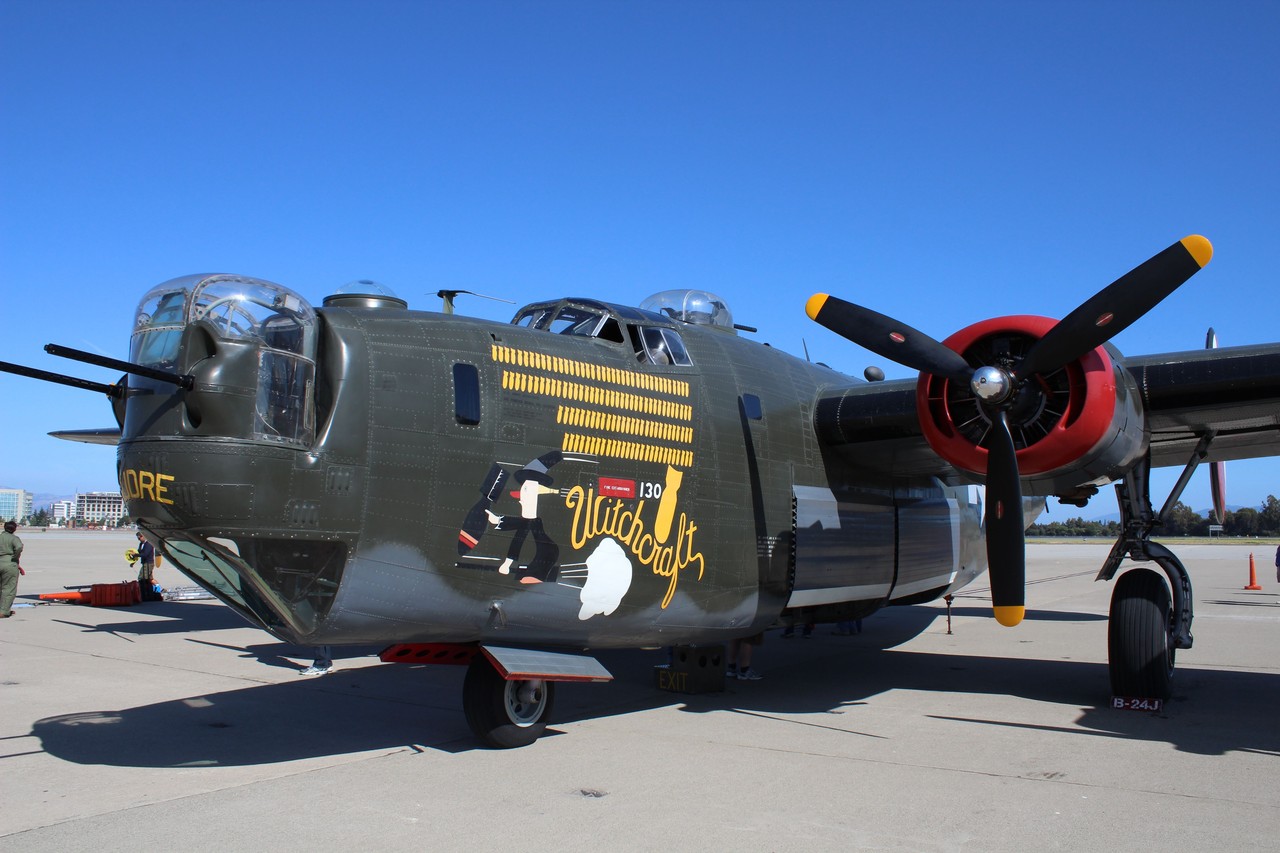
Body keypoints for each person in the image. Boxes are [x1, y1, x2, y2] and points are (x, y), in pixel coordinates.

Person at [0, 520, 25, 618]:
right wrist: (15, 557)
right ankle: (3, 611)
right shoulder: (14, 538)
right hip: (9, 563)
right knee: (8, 588)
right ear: (14, 529)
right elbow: (19, 547)